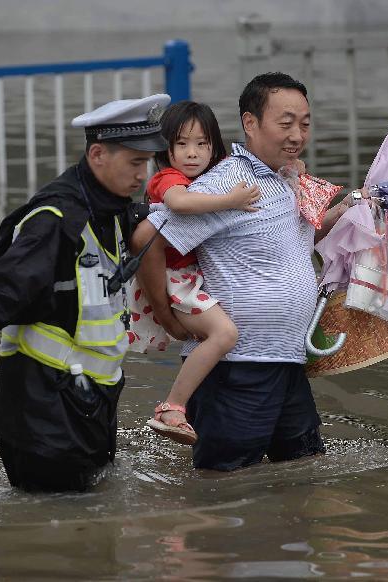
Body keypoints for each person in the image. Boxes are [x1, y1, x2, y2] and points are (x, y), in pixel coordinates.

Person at [0, 94, 171, 492]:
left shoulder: (113, 210)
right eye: (135, 162)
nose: (143, 174)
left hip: (89, 407)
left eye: (147, 162)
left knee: (94, 539)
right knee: (55, 538)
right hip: (43, 415)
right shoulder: (54, 221)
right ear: (98, 154)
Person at [131, 73, 357, 471]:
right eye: (285, 123)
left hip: (287, 361)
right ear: (250, 124)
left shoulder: (288, 181)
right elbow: (149, 239)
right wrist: (168, 317)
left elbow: (298, 239)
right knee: (222, 485)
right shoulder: (228, 182)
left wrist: (352, 209)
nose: (297, 134)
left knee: (302, 473)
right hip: (237, 369)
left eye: (304, 123)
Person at [127, 101, 261, 445]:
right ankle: (171, 407)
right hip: (175, 279)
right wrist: (230, 201)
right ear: (165, 148)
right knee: (224, 335)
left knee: (216, 340)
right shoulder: (167, 179)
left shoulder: (211, 178)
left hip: (188, 277)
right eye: (182, 144)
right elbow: (180, 203)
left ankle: (197, 412)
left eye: (202, 144)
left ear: (214, 146)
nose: (192, 153)